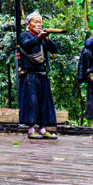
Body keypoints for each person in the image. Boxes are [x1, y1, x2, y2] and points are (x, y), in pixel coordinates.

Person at [17, 11, 58, 139]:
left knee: (43, 102)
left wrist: (46, 38)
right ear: (28, 24)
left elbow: (54, 49)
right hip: (30, 74)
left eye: (40, 22)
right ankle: (31, 130)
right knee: (32, 101)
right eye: (35, 22)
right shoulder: (24, 35)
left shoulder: (42, 38)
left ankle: (42, 129)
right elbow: (26, 45)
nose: (39, 24)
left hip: (42, 74)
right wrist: (39, 38)